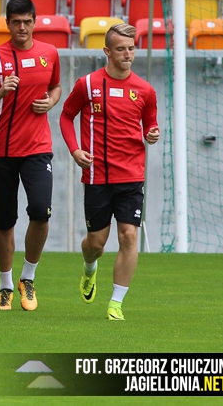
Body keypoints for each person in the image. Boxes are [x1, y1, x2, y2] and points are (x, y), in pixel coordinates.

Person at [59, 23, 160, 321]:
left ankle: (116, 303)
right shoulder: (88, 84)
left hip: (131, 176)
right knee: (96, 244)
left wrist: (152, 133)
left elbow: (150, 123)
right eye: (121, 49)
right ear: (107, 51)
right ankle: (89, 269)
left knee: (129, 236)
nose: (128, 54)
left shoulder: (145, 90)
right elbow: (66, 116)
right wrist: (75, 150)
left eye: (131, 48)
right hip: (98, 176)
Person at [0, 0, 61, 312]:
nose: (22, 27)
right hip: (0, 149)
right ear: (7, 23)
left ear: (35, 22)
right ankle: (5, 286)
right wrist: (0, 91)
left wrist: (50, 102)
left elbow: (56, 86)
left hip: (38, 148)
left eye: (27, 21)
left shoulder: (49, 53)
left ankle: (28, 278)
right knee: (5, 220)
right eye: (16, 22)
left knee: (40, 211)